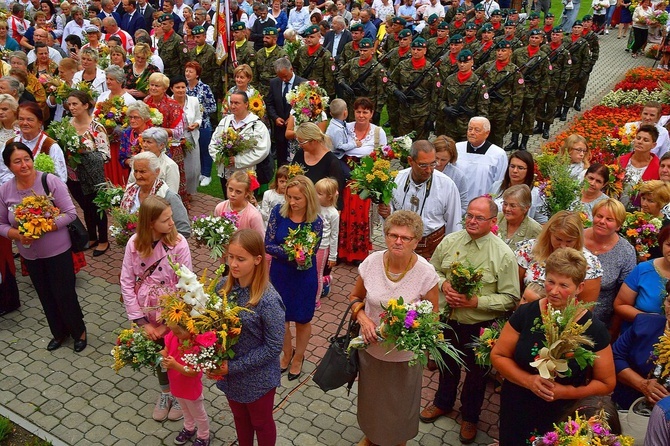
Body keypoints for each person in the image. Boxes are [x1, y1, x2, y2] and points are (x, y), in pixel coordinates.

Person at [491, 247, 615, 445]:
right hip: (517, 405)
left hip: (563, 413)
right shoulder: (526, 314)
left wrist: (566, 392)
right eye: (550, 282)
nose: (554, 291)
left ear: (579, 287)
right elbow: (498, 356)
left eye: (564, 285)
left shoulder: (594, 330)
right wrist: (528, 381)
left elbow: (607, 383)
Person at [422, 196, 519, 443]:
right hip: (448, 318)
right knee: (446, 365)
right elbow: (432, 269)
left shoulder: (503, 254)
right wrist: (444, 285)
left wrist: (476, 302)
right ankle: (442, 403)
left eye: (479, 217)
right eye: (469, 215)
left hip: (481, 326)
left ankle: (470, 417)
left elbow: (510, 297)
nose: (472, 221)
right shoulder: (450, 240)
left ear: (492, 221)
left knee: (477, 375)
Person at [350, 210, 440, 446]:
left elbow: (433, 316)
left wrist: (408, 328)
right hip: (371, 350)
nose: (398, 241)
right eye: (393, 235)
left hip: (404, 357)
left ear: (416, 242)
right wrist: (363, 318)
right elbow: (355, 297)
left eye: (405, 237)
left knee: (400, 406)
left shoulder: (426, 273)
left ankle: (398, 441)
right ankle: (371, 436)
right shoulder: (371, 262)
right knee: (371, 400)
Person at [0, 142, 87, 351]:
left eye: (27, 159)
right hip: (30, 255)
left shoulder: (49, 181)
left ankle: (79, 332)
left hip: (58, 250)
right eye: (17, 161)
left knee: (64, 293)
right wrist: (17, 235)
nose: (24, 165)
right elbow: (1, 224)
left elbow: (70, 213)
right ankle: (58, 333)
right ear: (8, 166)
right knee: (45, 294)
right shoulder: (5, 190)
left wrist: (43, 227)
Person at [210, 229, 285, 446]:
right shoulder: (222, 287)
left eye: (240, 259)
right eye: (230, 257)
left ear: (257, 260)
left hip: (258, 377)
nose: (233, 264)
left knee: (261, 423)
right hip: (230, 373)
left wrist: (232, 367)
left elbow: (273, 347)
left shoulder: (268, 300)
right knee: (240, 419)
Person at [120, 195, 191, 422]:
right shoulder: (133, 244)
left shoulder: (179, 243)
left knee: (177, 354)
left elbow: (187, 283)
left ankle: (181, 395)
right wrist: (142, 323)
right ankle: (166, 393)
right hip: (146, 312)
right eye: (166, 220)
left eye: (171, 217)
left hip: (173, 312)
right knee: (157, 357)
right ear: (150, 223)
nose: (172, 223)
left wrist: (169, 325)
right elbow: (126, 282)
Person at [265, 175, 323, 381]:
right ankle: (286, 353)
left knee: (302, 318)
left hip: (303, 277)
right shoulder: (277, 214)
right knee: (281, 317)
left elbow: (312, 249)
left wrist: (300, 255)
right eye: (289, 197)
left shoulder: (315, 221)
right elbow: (268, 244)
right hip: (280, 274)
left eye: (297, 198)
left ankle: (299, 357)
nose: (292, 202)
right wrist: (291, 252)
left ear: (308, 198)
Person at [379, 140, 462, 259]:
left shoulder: (447, 185)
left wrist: (452, 256)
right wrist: (386, 213)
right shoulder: (396, 179)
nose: (429, 170)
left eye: (433, 164)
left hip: (432, 248)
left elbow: (454, 224)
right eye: (423, 165)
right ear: (410, 161)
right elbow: (390, 214)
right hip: (401, 245)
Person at [516, 211, 603, 304]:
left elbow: (585, 307)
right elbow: (515, 290)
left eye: (569, 241)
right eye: (558, 239)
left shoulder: (589, 263)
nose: (563, 246)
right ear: (549, 233)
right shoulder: (529, 249)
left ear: (577, 239)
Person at [66, 90, 110, 257]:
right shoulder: (67, 125)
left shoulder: (96, 127)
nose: (71, 107)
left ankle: (104, 239)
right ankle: (92, 237)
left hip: (92, 176)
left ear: (85, 105)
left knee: (97, 207)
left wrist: (82, 151)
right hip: (73, 176)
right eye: (69, 104)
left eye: (75, 104)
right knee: (85, 207)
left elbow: (105, 155)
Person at [208, 90, 270, 194]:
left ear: (246, 104)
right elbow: (214, 143)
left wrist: (237, 160)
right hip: (226, 172)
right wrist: (222, 159)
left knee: (245, 204)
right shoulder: (225, 121)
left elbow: (262, 150)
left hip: (247, 174)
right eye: (231, 102)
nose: (232, 106)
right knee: (229, 201)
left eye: (236, 103)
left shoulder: (257, 125)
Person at [161, 322, 210, 446]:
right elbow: (166, 350)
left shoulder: (196, 346)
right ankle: (189, 428)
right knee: (185, 410)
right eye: (173, 331)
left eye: (178, 332)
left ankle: (204, 436)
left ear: (190, 328)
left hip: (190, 388)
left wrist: (175, 365)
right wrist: (160, 356)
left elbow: (193, 372)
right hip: (176, 384)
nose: (175, 335)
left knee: (198, 413)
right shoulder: (173, 336)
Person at [120, 152, 190, 238]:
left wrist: (162, 245)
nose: (138, 176)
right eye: (136, 171)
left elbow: (184, 229)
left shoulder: (168, 196)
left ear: (157, 172)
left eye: (142, 171)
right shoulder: (130, 191)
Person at [614, 225, 670, 333]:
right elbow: (620, 305)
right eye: (669, 245)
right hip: (640, 337)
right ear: (662, 244)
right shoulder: (643, 270)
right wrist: (648, 318)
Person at [143, 73, 185, 200]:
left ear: (164, 88)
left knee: (170, 177)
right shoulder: (146, 101)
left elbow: (179, 131)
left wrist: (158, 131)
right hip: (149, 146)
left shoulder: (172, 105)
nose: (153, 88)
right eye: (152, 85)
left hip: (169, 146)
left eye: (157, 86)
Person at [96, 65, 137, 186]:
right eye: (107, 78)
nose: (108, 81)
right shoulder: (103, 96)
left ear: (119, 81)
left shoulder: (129, 100)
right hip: (105, 142)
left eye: (111, 79)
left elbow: (132, 123)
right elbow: (94, 115)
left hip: (120, 144)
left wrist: (117, 129)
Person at [265, 57, 306, 167]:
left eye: (285, 76)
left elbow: (306, 108)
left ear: (291, 69)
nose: (283, 79)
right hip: (280, 130)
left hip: (296, 131)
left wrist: (292, 118)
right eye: (280, 77)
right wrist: (275, 117)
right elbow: (269, 103)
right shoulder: (274, 83)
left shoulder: (303, 84)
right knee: (282, 162)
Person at [455, 116, 507, 203]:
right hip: (458, 200)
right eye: (470, 129)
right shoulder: (458, 148)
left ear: (487, 133)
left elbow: (499, 182)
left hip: (483, 203)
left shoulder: (498, 154)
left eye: (477, 130)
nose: (472, 132)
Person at [291, 122, 345, 205]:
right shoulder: (300, 154)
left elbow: (337, 194)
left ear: (314, 141)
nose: (299, 145)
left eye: (302, 142)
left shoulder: (331, 162)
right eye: (298, 141)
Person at [12, 101, 67, 182]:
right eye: (21, 119)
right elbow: (4, 172)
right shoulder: (11, 143)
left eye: (30, 120)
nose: (24, 123)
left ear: (40, 123)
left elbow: (61, 178)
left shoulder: (50, 146)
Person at [490, 150, 548, 224]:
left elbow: (542, 222)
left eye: (520, 168)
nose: (515, 171)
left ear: (528, 170)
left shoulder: (536, 194)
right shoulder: (497, 185)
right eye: (512, 166)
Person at [183, 61, 216, 188]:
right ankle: (197, 172)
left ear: (197, 75)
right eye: (186, 71)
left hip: (203, 125)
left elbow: (213, 106)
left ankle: (206, 174)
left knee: (204, 149)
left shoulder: (204, 88)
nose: (188, 73)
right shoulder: (183, 88)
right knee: (193, 150)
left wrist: (199, 112)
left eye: (191, 71)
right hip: (187, 126)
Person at [170, 75, 200, 208]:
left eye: (183, 87)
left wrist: (196, 124)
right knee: (178, 168)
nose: (181, 90)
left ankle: (189, 191)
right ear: (172, 89)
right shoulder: (169, 103)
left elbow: (199, 117)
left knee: (193, 169)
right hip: (175, 140)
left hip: (191, 137)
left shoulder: (193, 101)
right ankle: (179, 193)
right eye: (177, 87)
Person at [618, 124, 660, 208]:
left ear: (653, 145)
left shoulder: (658, 167)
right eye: (638, 138)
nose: (640, 142)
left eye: (646, 140)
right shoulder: (620, 160)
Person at [214, 170, 265, 238]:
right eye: (230, 189)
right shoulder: (220, 208)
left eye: (238, 192)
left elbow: (260, 240)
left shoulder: (253, 216)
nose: (232, 194)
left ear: (246, 193)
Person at [314, 177, 339, 305]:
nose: (315, 195)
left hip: (323, 247)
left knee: (318, 274)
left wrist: (333, 256)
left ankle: (316, 300)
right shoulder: (314, 207)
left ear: (329, 197)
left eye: (319, 193)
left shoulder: (333, 214)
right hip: (311, 245)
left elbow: (334, 235)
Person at [496, 184, 543, 250]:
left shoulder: (535, 230)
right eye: (505, 204)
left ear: (525, 208)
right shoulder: (495, 219)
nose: (507, 209)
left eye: (512, 206)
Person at [433, 135, 468, 215]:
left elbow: (463, 205)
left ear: (451, 158)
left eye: (443, 160)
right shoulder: (423, 170)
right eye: (436, 158)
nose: (438, 163)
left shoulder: (458, 176)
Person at [119, 101, 150, 172]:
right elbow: (122, 158)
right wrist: (131, 162)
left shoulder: (154, 134)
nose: (132, 120)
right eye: (130, 117)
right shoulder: (126, 133)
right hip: (133, 172)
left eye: (136, 117)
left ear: (145, 118)